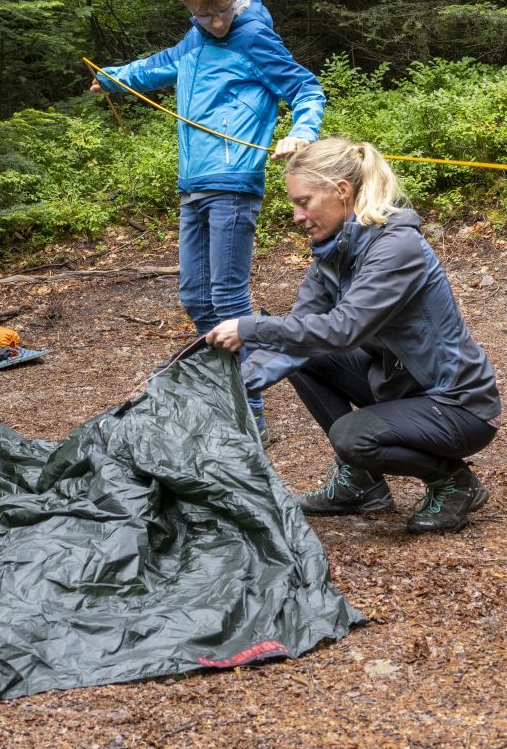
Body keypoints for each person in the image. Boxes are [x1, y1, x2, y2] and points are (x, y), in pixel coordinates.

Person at [205, 138, 500, 534]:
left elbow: (343, 329)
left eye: (304, 202)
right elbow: (299, 331)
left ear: (341, 191)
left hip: (457, 404)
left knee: (352, 435)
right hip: (399, 387)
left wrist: (248, 327)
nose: (296, 216)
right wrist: (231, 388)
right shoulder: (333, 252)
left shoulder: (397, 247)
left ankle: (454, 482)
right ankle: (362, 484)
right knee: (304, 350)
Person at [90, 0, 326, 446]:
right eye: (204, 15)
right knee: (195, 296)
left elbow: (306, 88)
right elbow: (158, 67)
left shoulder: (254, 36)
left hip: (234, 182)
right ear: (189, 8)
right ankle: (229, 388)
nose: (216, 23)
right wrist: (113, 77)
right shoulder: (194, 39)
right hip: (192, 184)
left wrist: (301, 133)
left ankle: (250, 414)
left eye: (222, 11)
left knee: (227, 297)